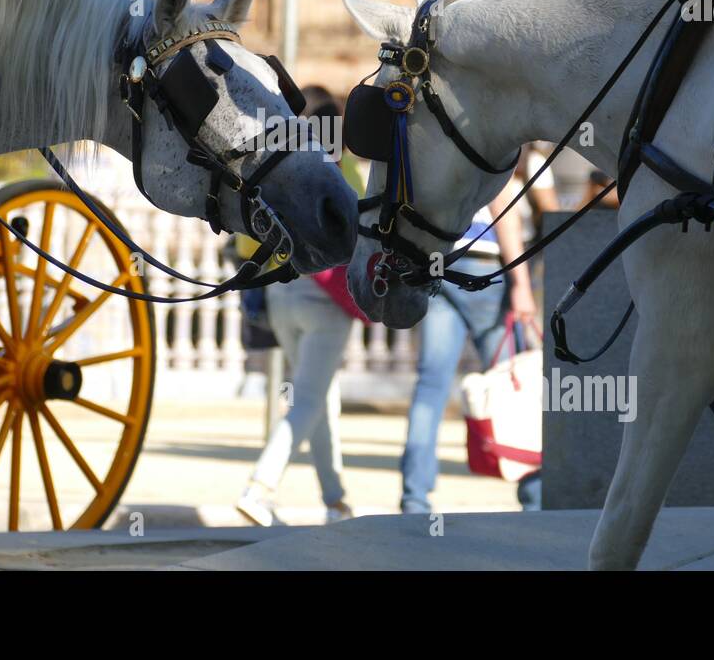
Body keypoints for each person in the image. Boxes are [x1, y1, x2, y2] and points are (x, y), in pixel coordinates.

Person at [236, 87, 367, 527]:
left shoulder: (282, 173)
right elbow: (361, 234)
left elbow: (243, 239)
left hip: (280, 294)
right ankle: (259, 489)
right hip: (326, 302)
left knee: (319, 397)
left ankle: (336, 499)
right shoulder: (342, 169)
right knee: (310, 399)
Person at [399, 152, 555, 515]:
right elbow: (504, 207)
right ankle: (534, 494)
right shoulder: (502, 145)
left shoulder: (449, 146)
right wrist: (521, 284)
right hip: (486, 269)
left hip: (441, 264)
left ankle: (415, 495)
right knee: (512, 384)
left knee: (431, 385)